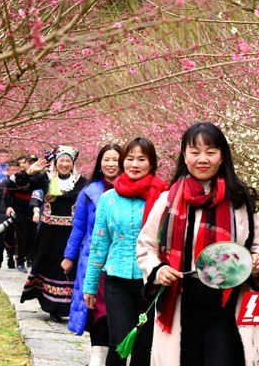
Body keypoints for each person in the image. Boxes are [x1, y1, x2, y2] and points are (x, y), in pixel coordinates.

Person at [136, 122, 259, 366]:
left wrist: (256, 261)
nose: (203, 159)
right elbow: (146, 247)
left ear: (222, 156)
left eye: (210, 152)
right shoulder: (168, 200)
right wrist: (158, 270)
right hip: (180, 303)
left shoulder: (240, 201)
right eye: (195, 152)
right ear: (184, 155)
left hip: (226, 305)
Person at [83, 137, 167, 366]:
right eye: (130, 159)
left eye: (142, 159)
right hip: (116, 280)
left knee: (144, 346)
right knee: (118, 341)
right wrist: (90, 287)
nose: (135, 164)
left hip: (151, 282)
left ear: (152, 163)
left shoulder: (163, 197)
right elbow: (99, 244)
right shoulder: (108, 199)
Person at [61, 143, 122, 366]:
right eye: (106, 159)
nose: (110, 164)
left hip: (120, 260)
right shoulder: (88, 192)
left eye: (115, 159)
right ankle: (97, 357)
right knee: (96, 308)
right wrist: (69, 256)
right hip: (93, 259)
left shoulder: (132, 191)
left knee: (118, 311)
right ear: (99, 163)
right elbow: (78, 228)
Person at [16, 145, 87, 323]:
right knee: (48, 267)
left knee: (67, 270)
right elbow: (21, 185)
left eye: (67, 161)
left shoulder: (81, 182)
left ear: (73, 163)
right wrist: (29, 172)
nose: (64, 164)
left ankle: (65, 306)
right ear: (55, 162)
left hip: (70, 235)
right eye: (61, 160)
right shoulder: (45, 179)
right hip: (48, 233)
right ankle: (49, 304)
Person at [4, 153, 39, 272]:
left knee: (33, 237)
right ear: (25, 164)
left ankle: (31, 259)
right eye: (29, 162)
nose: (32, 165)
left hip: (35, 212)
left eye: (34, 162)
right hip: (19, 212)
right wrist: (9, 206)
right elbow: (8, 189)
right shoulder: (18, 176)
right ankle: (20, 261)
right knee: (20, 237)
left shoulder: (40, 177)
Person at [0, 160, 21, 269]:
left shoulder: (21, 185)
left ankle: (11, 262)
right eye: (12, 170)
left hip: (16, 218)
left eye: (17, 170)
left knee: (12, 241)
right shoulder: (1, 184)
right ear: (8, 171)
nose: (15, 172)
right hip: (1, 216)